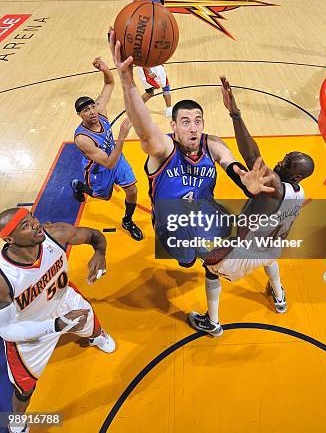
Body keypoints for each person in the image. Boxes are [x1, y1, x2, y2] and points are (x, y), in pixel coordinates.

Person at [108, 32, 276, 267]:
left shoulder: (212, 144)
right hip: (172, 222)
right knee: (186, 261)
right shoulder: (165, 148)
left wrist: (244, 183)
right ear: (173, 127)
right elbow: (145, 130)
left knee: (227, 225)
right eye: (186, 122)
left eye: (198, 121)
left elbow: (231, 164)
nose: (193, 127)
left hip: (202, 212)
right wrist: (127, 82)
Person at [188, 77, 315, 337]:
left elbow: (252, 157)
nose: (280, 162)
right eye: (284, 157)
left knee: (209, 269)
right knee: (269, 259)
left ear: (296, 176)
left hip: (242, 255)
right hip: (271, 248)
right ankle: (279, 297)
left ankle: (212, 322)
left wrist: (235, 114)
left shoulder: (275, 188)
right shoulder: (300, 193)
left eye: (287, 162)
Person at [0, 208, 115, 432]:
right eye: (25, 225)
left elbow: (94, 236)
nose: (35, 224)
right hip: (30, 327)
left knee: (90, 321)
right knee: (24, 389)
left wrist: (100, 253)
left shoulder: (56, 234)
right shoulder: (4, 280)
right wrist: (56, 325)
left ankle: (95, 336)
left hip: (64, 300)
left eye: (32, 217)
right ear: (10, 239)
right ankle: (19, 423)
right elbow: (5, 330)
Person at [71, 57, 143, 241]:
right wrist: (121, 136)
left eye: (92, 106)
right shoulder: (83, 139)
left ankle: (127, 220)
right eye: (86, 110)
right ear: (80, 115)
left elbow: (110, 83)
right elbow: (108, 164)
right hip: (100, 168)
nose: (92, 111)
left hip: (115, 157)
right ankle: (79, 186)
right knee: (102, 196)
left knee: (132, 190)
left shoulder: (100, 111)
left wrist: (104, 68)